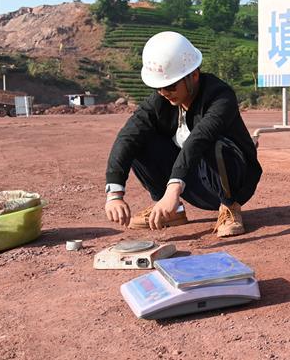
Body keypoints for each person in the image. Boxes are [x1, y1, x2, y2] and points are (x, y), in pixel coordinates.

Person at [104, 31, 262, 237]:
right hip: (190, 179)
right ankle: (171, 210)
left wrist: (174, 187)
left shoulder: (220, 96)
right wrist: (114, 194)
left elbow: (200, 138)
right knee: (139, 140)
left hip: (233, 180)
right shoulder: (160, 101)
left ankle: (229, 208)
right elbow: (128, 136)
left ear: (194, 75)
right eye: (158, 87)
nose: (163, 92)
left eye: (169, 86)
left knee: (213, 143)